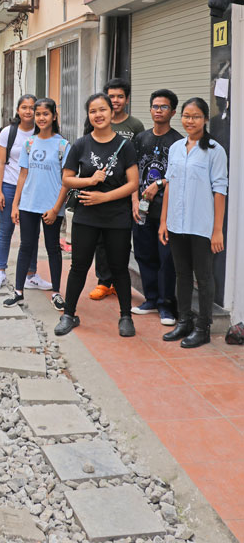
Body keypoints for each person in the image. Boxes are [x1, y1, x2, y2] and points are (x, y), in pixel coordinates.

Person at [55, 92, 139, 338]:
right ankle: (69, 314)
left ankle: (126, 316)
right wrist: (89, 180)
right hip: (86, 217)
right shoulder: (81, 144)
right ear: (89, 115)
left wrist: (104, 196)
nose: (98, 115)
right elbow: (67, 178)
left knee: (119, 268)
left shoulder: (125, 145)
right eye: (93, 111)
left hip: (117, 217)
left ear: (112, 113)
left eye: (102, 110)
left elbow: (133, 183)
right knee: (79, 266)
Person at [159, 97, 228, 348]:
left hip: (202, 225)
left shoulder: (215, 151)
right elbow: (169, 185)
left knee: (205, 277)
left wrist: (217, 230)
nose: (190, 120)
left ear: (206, 119)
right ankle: (184, 321)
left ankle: (203, 327)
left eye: (196, 116)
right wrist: (163, 221)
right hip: (177, 223)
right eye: (187, 116)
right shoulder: (176, 147)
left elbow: (220, 191)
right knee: (182, 274)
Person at [3, 98, 69, 310]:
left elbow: (66, 180)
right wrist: (15, 205)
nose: (41, 117)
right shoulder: (29, 143)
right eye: (37, 113)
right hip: (28, 206)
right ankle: (18, 291)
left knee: (53, 249)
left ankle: (56, 292)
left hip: (51, 207)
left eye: (45, 114)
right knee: (26, 247)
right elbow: (22, 175)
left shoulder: (62, 145)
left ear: (54, 117)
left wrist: (56, 208)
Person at [89, 77, 144, 302]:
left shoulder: (135, 126)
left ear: (127, 99)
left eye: (120, 96)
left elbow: (137, 163)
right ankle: (104, 282)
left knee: (120, 241)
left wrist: (134, 197)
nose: (116, 100)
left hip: (124, 192)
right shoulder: (99, 121)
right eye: (111, 96)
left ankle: (119, 281)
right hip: (99, 191)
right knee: (100, 240)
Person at [0, 94, 51, 291]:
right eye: (24, 107)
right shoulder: (9, 132)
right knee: (6, 230)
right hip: (9, 185)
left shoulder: (41, 133)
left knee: (31, 233)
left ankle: (30, 275)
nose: (28, 111)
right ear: (18, 110)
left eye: (32, 108)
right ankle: (0, 272)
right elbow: (0, 163)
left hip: (32, 189)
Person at [131, 89, 183, 325]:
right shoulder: (140, 138)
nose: (158, 111)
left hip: (167, 211)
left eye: (163, 107)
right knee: (144, 254)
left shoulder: (179, 142)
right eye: (155, 106)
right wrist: (134, 201)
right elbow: (131, 172)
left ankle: (166, 305)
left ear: (172, 111)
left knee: (166, 259)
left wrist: (159, 183)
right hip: (141, 209)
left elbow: (182, 176)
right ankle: (150, 299)